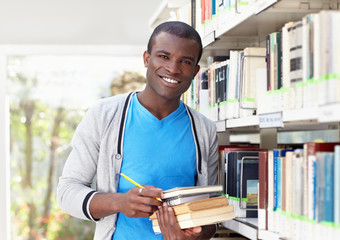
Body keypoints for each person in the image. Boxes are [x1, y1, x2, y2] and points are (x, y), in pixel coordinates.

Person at [57, 21, 219, 240]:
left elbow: (211, 214)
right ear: (146, 59)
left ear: (195, 71)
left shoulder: (205, 130)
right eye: (163, 56)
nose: (172, 68)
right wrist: (119, 202)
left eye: (185, 61)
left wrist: (195, 236)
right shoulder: (103, 116)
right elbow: (67, 192)